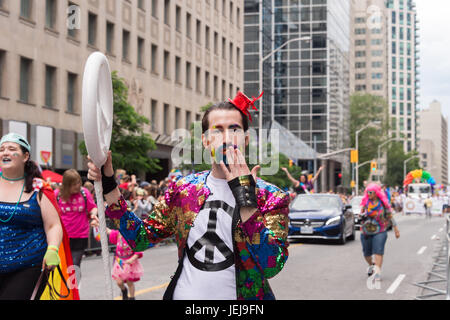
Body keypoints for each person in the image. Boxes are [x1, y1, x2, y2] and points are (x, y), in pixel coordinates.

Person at [88, 91, 290, 300]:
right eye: (218, 130)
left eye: (234, 129)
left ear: (246, 140)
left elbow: (271, 266)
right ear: (205, 141)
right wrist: (110, 184)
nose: (227, 137)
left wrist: (247, 201)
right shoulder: (184, 189)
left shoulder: (271, 196)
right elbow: (140, 238)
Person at [0, 133, 63, 299]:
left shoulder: (39, 188)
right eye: (1, 149)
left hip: (28, 266)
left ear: (25, 156)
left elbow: (53, 225)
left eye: (11, 149)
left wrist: (52, 249)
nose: (5, 153)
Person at [55, 169, 98, 271]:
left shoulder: (84, 193)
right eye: (73, 184)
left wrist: (93, 215)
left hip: (80, 235)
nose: (77, 186)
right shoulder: (57, 194)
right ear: (66, 184)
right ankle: (64, 286)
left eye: (78, 183)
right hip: (62, 236)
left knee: (74, 265)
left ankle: (74, 286)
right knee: (61, 266)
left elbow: (93, 207)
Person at [360, 183, 400, 281]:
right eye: (367, 192)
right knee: (366, 254)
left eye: (370, 192)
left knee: (378, 251)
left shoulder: (383, 203)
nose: (368, 194)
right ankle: (371, 265)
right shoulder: (365, 202)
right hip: (366, 231)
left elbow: (390, 216)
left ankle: (377, 273)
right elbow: (361, 214)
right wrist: (361, 215)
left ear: (376, 193)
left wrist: (396, 229)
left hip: (380, 230)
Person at [107, 228, 144, 300]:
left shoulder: (133, 237)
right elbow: (108, 231)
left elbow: (139, 251)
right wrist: (98, 222)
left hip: (130, 263)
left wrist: (131, 259)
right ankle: (124, 290)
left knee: (129, 282)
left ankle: (132, 297)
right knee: (119, 282)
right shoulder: (118, 234)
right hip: (119, 261)